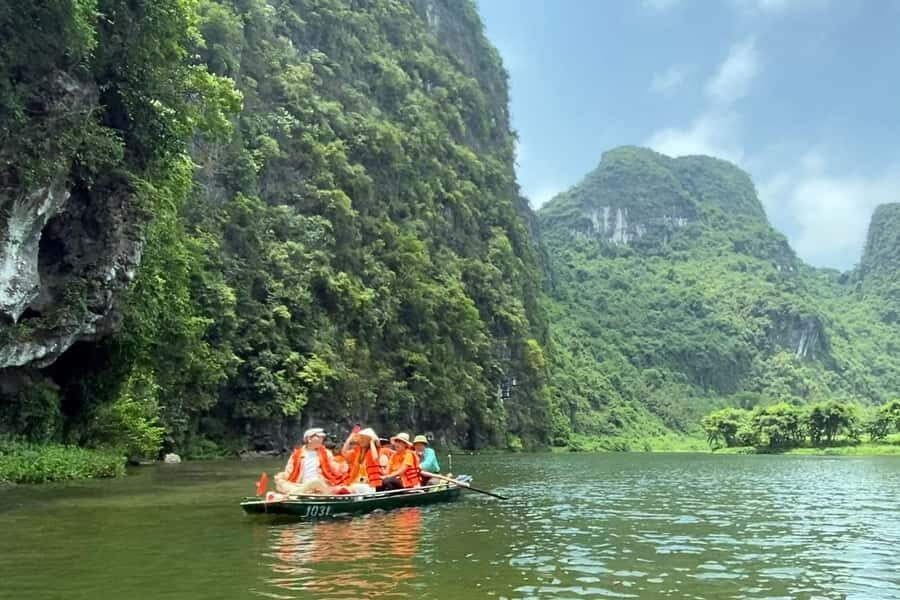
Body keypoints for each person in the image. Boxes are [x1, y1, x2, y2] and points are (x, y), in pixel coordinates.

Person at [274, 428, 346, 495]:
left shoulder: (326, 453)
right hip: (301, 486)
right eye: (319, 437)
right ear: (309, 439)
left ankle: (295, 495)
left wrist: (344, 466)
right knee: (280, 483)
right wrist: (281, 476)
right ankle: (298, 493)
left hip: (320, 487)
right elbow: (289, 473)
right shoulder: (296, 454)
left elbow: (336, 469)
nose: (322, 439)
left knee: (315, 482)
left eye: (322, 437)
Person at [341, 426, 383, 493]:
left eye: (364, 438)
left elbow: (375, 458)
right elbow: (344, 452)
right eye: (361, 438)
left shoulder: (374, 451)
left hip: (369, 486)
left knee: (354, 487)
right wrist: (350, 437)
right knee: (348, 487)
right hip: (356, 483)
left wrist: (372, 442)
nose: (361, 440)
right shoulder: (357, 451)